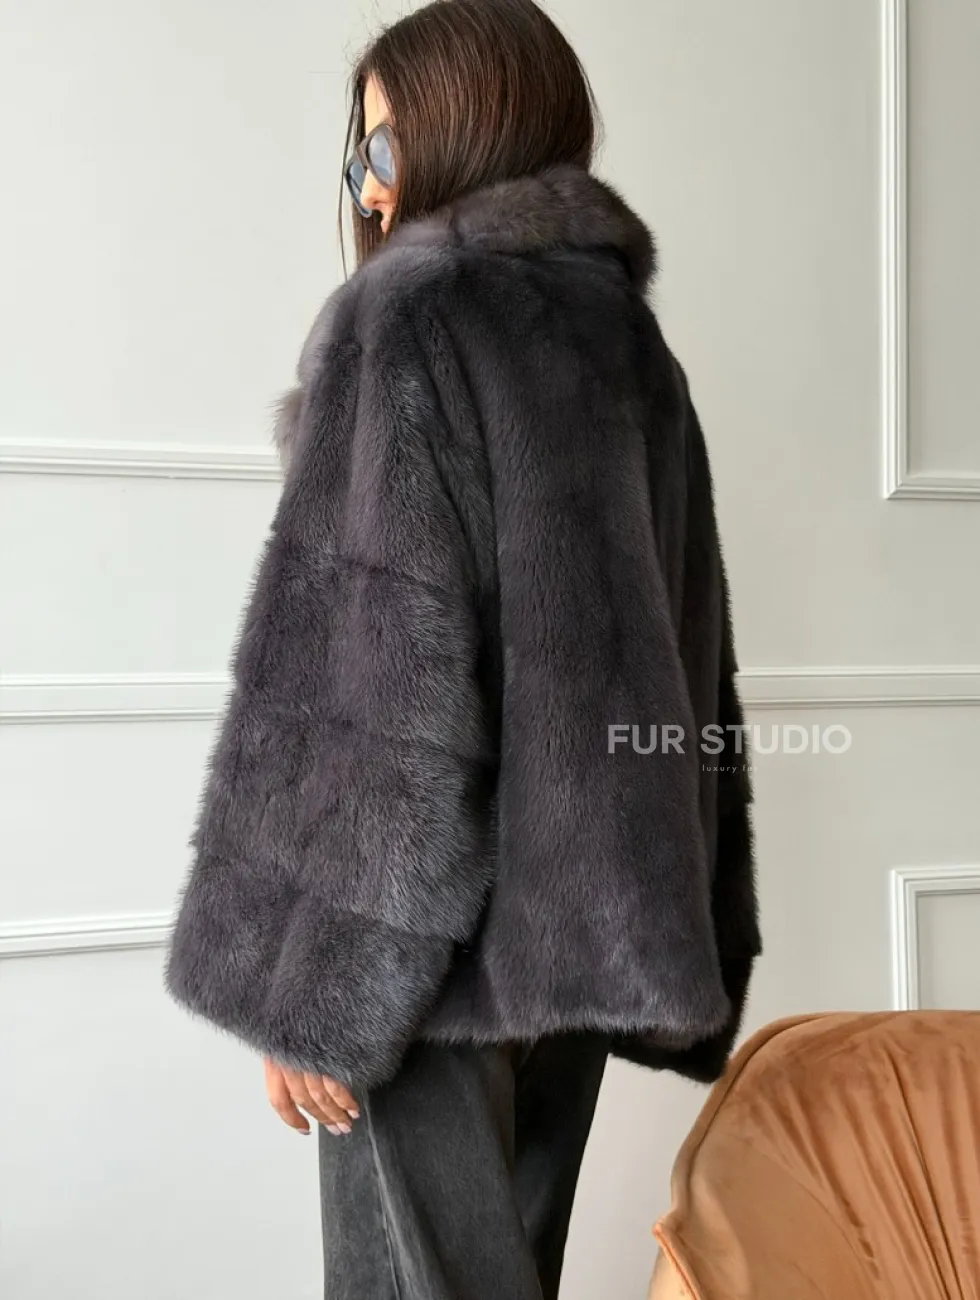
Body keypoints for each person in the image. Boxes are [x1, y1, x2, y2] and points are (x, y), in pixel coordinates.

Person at [163, 1, 762, 1296]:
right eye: (358, 155)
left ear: (464, 130)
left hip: (422, 964)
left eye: (382, 147)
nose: (368, 187)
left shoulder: (409, 320)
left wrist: (316, 990)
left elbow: (376, 689)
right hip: (588, 948)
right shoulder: (631, 346)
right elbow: (693, 652)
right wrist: (694, 913)